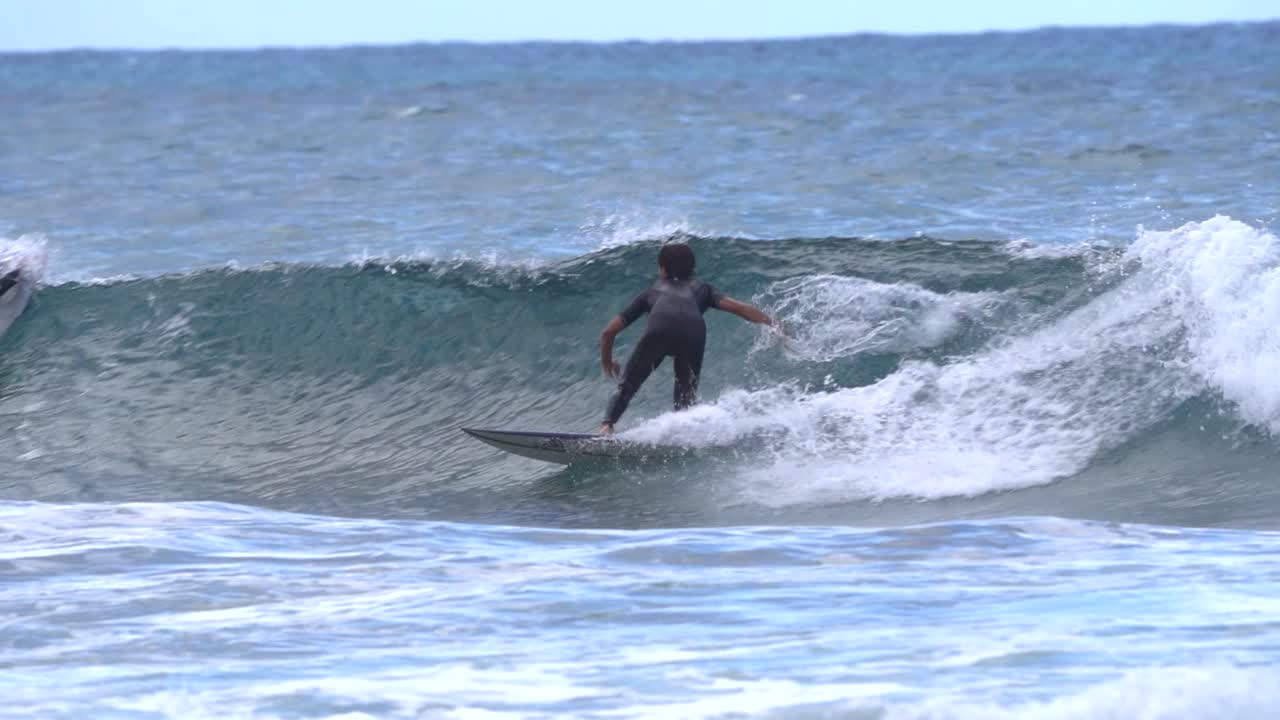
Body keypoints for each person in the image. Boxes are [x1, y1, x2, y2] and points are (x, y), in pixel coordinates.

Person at [598, 243, 773, 434]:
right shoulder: (704, 289)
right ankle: (682, 436)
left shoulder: (652, 292)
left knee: (627, 386)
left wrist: (607, 362)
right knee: (685, 396)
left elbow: (608, 332)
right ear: (692, 268)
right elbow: (739, 308)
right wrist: (774, 326)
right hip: (694, 331)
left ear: (662, 269)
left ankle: (607, 427)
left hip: (660, 328)